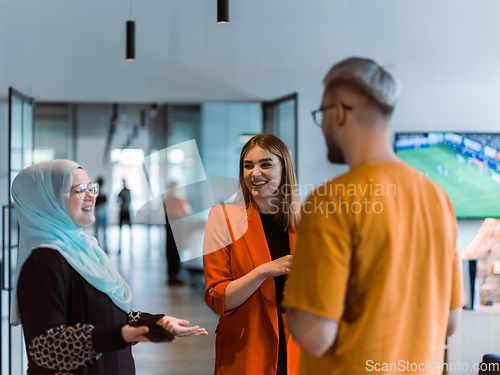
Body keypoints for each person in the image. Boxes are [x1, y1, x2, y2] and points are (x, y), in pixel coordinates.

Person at [282, 57, 463, 375]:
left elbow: (314, 337)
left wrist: (292, 298)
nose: (321, 124)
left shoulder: (330, 200)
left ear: (338, 113)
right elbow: (450, 321)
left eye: (320, 114)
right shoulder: (438, 198)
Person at [11, 160, 207, 375]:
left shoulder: (86, 249)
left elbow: (105, 314)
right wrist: (119, 335)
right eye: (79, 190)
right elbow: (46, 348)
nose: (91, 196)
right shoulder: (43, 264)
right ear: (47, 200)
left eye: (91, 188)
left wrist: (156, 322)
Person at [203, 134, 301, 375]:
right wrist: (263, 271)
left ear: (284, 169)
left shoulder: (306, 222)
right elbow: (218, 299)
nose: (254, 173)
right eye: (248, 166)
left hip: (299, 347)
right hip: (247, 350)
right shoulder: (223, 218)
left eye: (265, 164)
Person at [164, 181, 192, 286]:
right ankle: (176, 274)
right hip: (177, 224)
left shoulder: (166, 199)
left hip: (169, 225)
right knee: (176, 249)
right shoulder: (180, 200)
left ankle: (171, 274)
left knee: (170, 249)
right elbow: (187, 212)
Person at [118, 179, 132, 252]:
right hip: (123, 210)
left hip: (126, 210)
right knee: (121, 227)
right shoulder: (122, 192)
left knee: (129, 227)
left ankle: (131, 242)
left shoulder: (126, 191)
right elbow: (118, 200)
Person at [94, 177, 108, 251]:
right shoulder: (96, 192)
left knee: (104, 232)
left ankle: (105, 246)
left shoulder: (103, 192)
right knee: (97, 231)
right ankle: (97, 247)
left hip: (103, 213)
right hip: (98, 214)